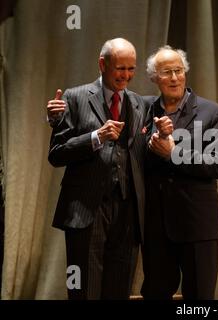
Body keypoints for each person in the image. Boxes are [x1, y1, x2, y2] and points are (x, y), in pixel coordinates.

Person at [47, 38, 149, 299]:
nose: (126, 76)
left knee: (119, 289)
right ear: (102, 64)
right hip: (87, 208)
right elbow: (57, 154)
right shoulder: (75, 97)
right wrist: (96, 137)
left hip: (128, 211)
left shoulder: (140, 104)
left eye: (131, 69)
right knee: (84, 289)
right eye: (120, 68)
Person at [140, 45, 218, 299]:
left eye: (179, 70)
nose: (175, 78)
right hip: (156, 225)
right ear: (154, 77)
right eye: (167, 72)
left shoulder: (212, 112)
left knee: (199, 298)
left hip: (198, 224)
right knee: (155, 292)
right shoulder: (144, 110)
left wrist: (173, 153)